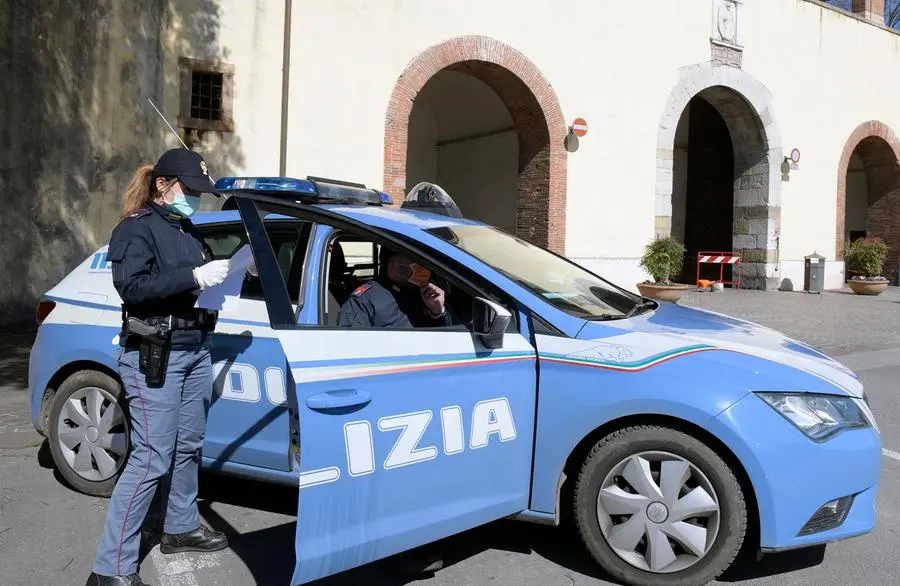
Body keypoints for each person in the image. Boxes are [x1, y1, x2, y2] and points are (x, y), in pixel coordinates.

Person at [86, 148, 251, 586]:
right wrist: (195, 278)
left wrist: (233, 273)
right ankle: (110, 569)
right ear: (163, 185)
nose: (196, 198)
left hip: (194, 347)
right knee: (150, 458)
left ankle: (179, 527)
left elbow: (198, 284)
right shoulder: (135, 229)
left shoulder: (185, 228)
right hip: (153, 353)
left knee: (188, 445)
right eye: (190, 190)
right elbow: (134, 288)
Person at [337, 250, 452, 328]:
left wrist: (437, 311)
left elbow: (447, 336)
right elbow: (350, 344)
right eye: (416, 261)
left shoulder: (425, 294)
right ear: (394, 264)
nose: (423, 268)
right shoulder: (365, 299)